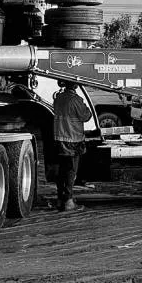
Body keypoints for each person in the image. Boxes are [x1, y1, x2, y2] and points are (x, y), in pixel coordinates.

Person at [53, 81, 90, 212]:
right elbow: (86, 116)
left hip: (59, 138)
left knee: (62, 170)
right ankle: (69, 201)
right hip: (73, 139)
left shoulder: (58, 98)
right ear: (76, 86)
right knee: (71, 170)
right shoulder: (76, 100)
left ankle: (59, 199)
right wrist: (86, 107)